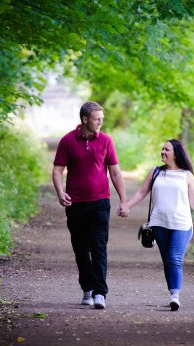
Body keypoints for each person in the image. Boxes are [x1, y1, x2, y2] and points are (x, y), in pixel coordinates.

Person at [52, 101, 129, 310]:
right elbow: (58, 170)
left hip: (100, 203)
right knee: (80, 249)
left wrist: (123, 201)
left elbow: (115, 172)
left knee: (98, 247)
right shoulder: (68, 141)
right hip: (75, 203)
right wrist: (60, 192)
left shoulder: (106, 140)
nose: (100, 123)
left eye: (102, 119)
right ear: (85, 119)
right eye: (97, 119)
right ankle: (87, 287)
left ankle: (100, 292)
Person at [127, 139, 194, 311]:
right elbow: (142, 192)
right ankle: (172, 292)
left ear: (176, 153)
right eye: (162, 149)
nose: (163, 152)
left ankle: (175, 296)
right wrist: (126, 206)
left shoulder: (186, 175)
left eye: (167, 149)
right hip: (159, 224)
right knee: (168, 260)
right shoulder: (156, 172)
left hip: (181, 224)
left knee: (174, 258)